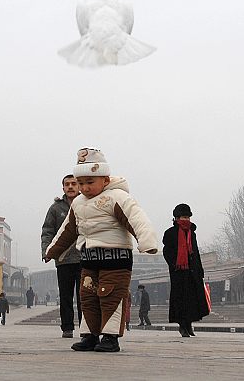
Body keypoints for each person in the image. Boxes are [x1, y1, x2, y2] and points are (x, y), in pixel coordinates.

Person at [44, 148, 158, 353]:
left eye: (90, 182)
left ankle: (110, 337)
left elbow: (137, 219)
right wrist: (52, 250)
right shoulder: (78, 203)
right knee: (87, 298)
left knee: (110, 297)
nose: (85, 188)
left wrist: (147, 241)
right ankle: (90, 336)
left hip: (116, 260)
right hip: (88, 259)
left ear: (105, 180)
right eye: (81, 183)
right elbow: (67, 230)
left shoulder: (117, 197)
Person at [41, 174, 83, 338]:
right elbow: (47, 231)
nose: (71, 187)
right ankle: (67, 328)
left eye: (74, 184)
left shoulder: (87, 203)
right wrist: (47, 251)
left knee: (84, 296)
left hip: (84, 258)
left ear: (79, 186)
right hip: (63, 260)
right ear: (63, 188)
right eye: (67, 184)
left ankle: (86, 329)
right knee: (65, 296)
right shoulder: (55, 208)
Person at [162, 203, 209, 337]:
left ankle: (189, 324)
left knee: (192, 300)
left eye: (188, 217)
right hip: (178, 273)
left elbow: (196, 252)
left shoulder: (191, 233)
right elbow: (167, 252)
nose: (186, 220)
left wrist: (199, 270)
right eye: (184, 217)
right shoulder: (170, 233)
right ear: (177, 218)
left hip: (192, 272)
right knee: (180, 300)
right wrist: (174, 264)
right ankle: (182, 325)